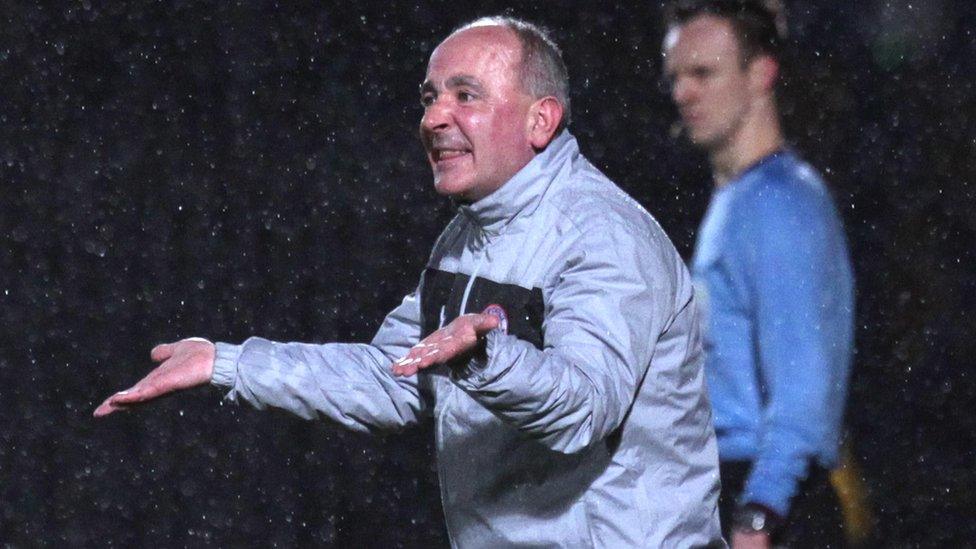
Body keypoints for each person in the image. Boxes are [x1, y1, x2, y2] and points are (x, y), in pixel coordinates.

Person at [96, 16, 725, 548]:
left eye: (465, 95)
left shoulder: (606, 235)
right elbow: (394, 376)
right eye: (429, 97)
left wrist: (485, 356)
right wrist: (227, 364)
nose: (434, 118)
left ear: (541, 121)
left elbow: (584, 408)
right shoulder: (466, 237)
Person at [662, 1, 854, 547]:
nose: (683, 93)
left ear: (761, 73)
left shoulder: (779, 205)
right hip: (741, 490)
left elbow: (803, 391)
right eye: (676, 75)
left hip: (771, 505)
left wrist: (761, 512)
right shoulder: (740, 199)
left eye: (703, 73)